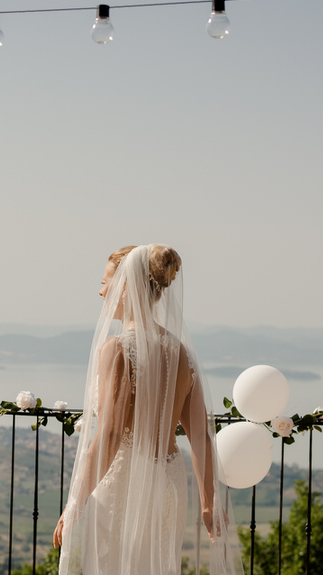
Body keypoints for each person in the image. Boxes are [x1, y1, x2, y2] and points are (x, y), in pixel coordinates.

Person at [53, 245, 244, 575]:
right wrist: (209, 502)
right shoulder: (180, 353)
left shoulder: (116, 348)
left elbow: (111, 434)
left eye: (105, 282)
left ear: (126, 286)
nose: (100, 292)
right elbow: (200, 434)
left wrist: (75, 502)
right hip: (168, 482)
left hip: (121, 482)